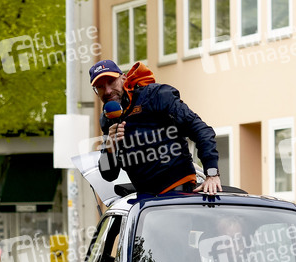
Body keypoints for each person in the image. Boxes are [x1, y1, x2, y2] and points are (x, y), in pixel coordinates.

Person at [90, 59, 222, 196]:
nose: (108, 91)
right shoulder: (107, 119)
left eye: (111, 82)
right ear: (96, 91)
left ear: (123, 78)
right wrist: (110, 147)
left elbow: (201, 130)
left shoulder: (155, 95)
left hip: (178, 190)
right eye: (100, 86)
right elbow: (109, 175)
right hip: (146, 199)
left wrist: (212, 173)